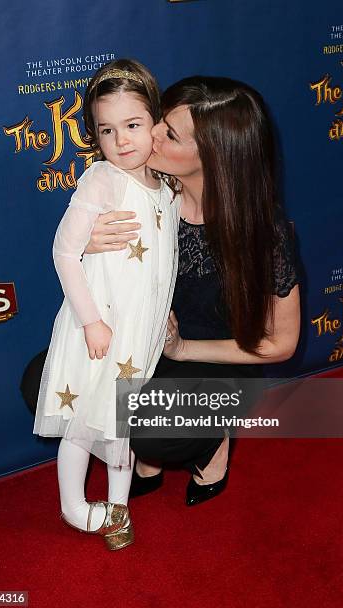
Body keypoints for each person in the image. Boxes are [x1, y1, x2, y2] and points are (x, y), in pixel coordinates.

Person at [84, 75, 301, 506]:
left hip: (218, 358)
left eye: (170, 134)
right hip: (146, 344)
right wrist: (87, 244)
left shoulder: (262, 232)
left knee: (151, 434)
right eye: (158, 122)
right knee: (43, 383)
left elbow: (281, 344)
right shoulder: (143, 187)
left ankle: (213, 439)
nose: (150, 136)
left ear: (214, 156)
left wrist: (183, 349)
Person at [32, 59, 179, 549]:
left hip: (139, 334)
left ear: (156, 122)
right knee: (81, 423)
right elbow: (63, 251)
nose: (122, 141)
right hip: (99, 331)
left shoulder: (165, 185)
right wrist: (92, 322)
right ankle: (74, 508)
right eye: (107, 130)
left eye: (133, 125)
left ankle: (118, 509)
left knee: (119, 424)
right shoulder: (102, 179)